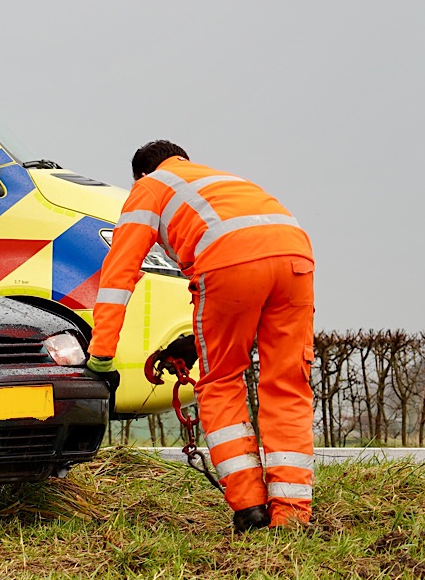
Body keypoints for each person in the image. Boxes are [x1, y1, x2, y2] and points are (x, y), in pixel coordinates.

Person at [86, 140, 316, 533]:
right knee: (287, 384)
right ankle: (292, 514)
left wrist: (101, 356)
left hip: (230, 264)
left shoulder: (150, 187)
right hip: (296, 257)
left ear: (140, 174)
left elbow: (117, 275)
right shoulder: (218, 181)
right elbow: (251, 272)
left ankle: (250, 508)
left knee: (222, 383)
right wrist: (196, 341)